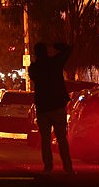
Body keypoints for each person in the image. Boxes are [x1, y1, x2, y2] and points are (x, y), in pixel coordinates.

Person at [28, 42, 74, 175]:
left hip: (43, 107)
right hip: (57, 106)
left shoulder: (34, 68)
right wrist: (55, 45)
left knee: (45, 140)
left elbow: (35, 77)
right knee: (62, 139)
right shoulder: (55, 62)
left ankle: (48, 167)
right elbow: (68, 49)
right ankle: (68, 167)